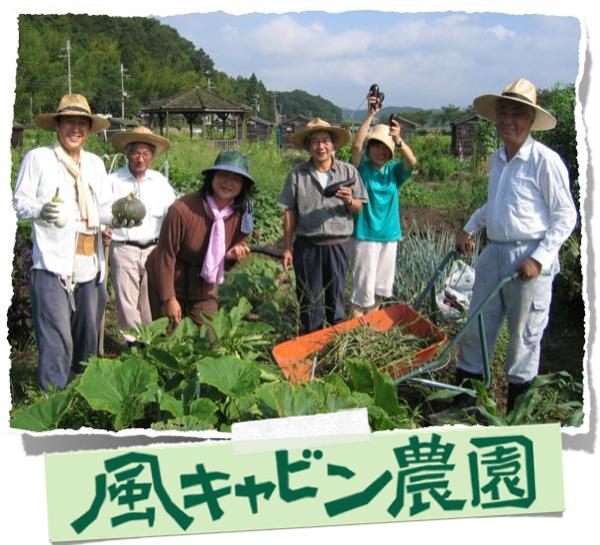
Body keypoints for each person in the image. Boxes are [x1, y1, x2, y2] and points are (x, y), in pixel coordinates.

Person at [454, 78, 577, 411]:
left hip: (528, 259)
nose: (508, 119)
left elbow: (565, 217)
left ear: (531, 120)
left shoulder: (544, 161)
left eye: (517, 113)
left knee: (523, 337)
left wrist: (538, 258)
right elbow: (494, 205)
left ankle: (515, 416)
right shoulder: (498, 159)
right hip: (494, 253)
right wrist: (469, 228)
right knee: (477, 325)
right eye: (503, 112)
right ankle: (465, 406)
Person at [12, 94, 111, 391]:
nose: (76, 128)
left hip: (90, 262)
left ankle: (83, 395)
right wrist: (41, 209)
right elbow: (19, 202)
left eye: (82, 123)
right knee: (56, 338)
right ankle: (52, 399)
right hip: (52, 263)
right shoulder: (39, 158)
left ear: (89, 129)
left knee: (87, 337)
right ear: (57, 125)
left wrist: (117, 216)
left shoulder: (95, 164)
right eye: (69, 121)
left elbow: (104, 207)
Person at [145, 150, 254, 330]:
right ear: (211, 177)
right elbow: (166, 255)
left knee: (209, 339)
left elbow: (227, 257)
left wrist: (231, 257)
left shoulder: (241, 214)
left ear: (243, 185)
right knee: (168, 340)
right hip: (169, 278)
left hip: (205, 285)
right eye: (223, 175)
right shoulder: (183, 210)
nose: (228, 182)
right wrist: (169, 299)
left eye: (236, 178)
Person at [278, 118, 368, 333]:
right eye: (315, 141)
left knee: (336, 300)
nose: (320, 146)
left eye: (325, 141)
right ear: (309, 146)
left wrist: (349, 201)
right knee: (310, 300)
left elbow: (359, 207)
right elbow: (289, 212)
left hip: (338, 245)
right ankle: (311, 346)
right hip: (307, 246)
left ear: (333, 144)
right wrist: (287, 247)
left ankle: (334, 346)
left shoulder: (348, 173)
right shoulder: (297, 175)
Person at [102, 127, 177, 345]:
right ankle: (134, 344)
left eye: (146, 154)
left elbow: (173, 210)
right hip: (123, 246)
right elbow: (100, 210)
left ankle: (151, 341)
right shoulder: (113, 180)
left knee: (149, 299)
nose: (140, 158)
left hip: (153, 248)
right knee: (126, 300)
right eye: (136, 153)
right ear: (127, 154)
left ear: (152, 156)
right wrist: (107, 225)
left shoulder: (159, 181)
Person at [350, 95, 417, 316]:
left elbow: (412, 162)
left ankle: (370, 330)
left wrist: (399, 141)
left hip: (389, 236)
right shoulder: (363, 170)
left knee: (379, 288)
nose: (380, 151)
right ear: (370, 149)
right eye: (376, 146)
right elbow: (356, 146)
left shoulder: (394, 172)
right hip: (365, 235)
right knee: (361, 292)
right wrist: (371, 115)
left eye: (385, 148)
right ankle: (356, 334)